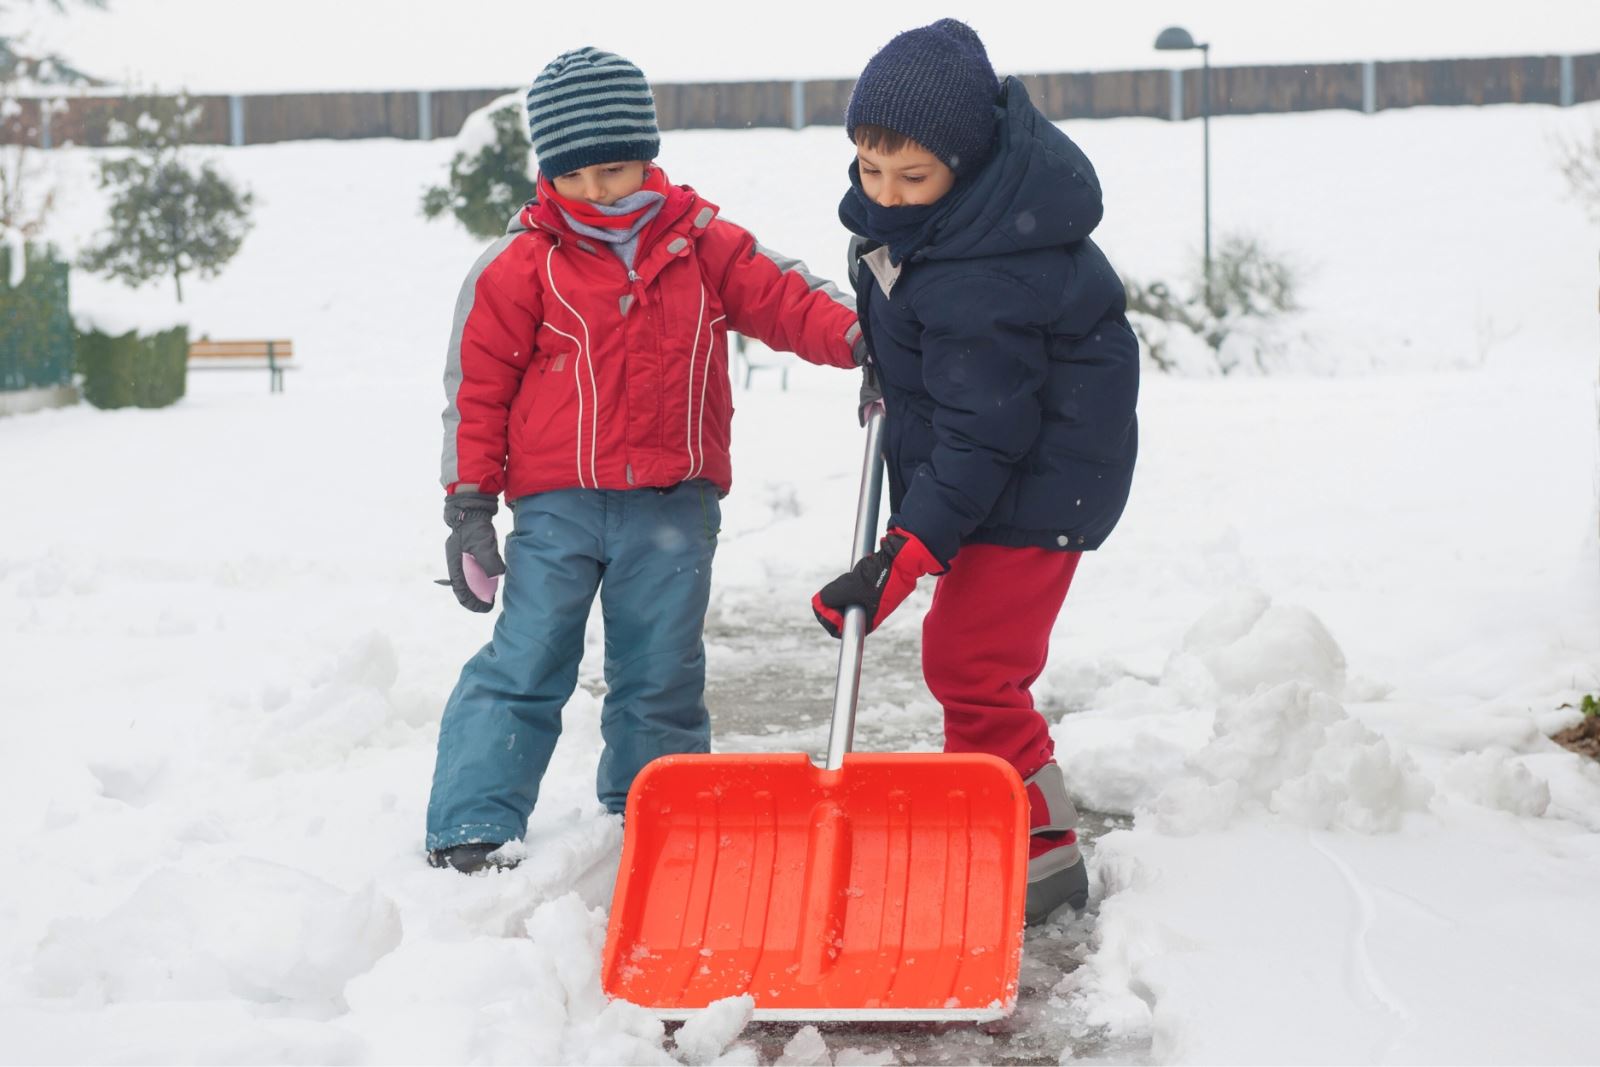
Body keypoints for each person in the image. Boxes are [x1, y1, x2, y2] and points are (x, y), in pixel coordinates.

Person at [429, 46, 866, 874]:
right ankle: (473, 821)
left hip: (673, 503)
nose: (600, 191)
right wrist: (469, 505)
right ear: (548, 171)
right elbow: (476, 390)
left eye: (618, 168)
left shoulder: (701, 243)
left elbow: (786, 298)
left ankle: (654, 804)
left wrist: (864, 336)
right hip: (558, 506)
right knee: (528, 657)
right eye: (578, 175)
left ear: (649, 155)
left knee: (661, 668)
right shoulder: (522, 265)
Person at [810, 19, 1140, 923]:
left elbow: (984, 432)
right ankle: (1003, 820)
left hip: (1037, 483)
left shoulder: (985, 272)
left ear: (972, 162)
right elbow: (940, 369)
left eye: (914, 177)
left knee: (972, 661)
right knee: (972, 663)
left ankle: (1038, 851)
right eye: (871, 171)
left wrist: (901, 555)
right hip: (1000, 465)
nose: (888, 195)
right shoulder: (925, 234)